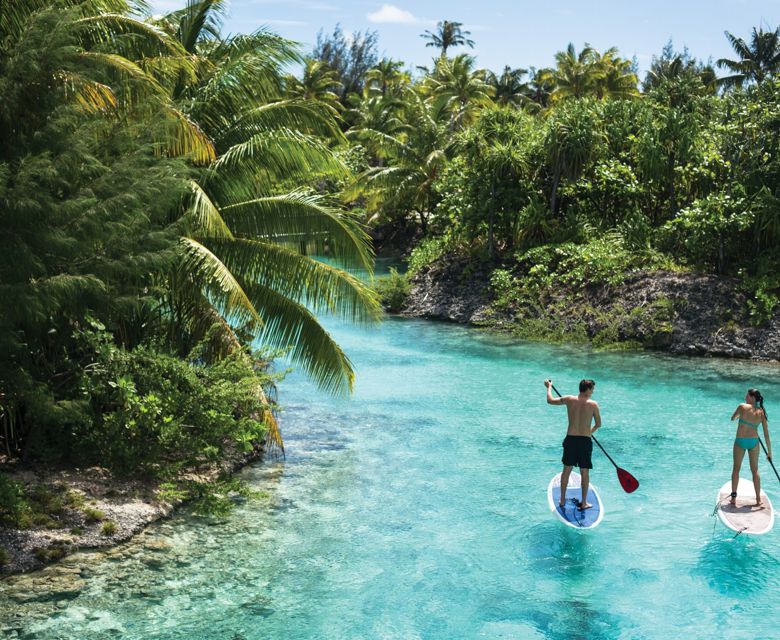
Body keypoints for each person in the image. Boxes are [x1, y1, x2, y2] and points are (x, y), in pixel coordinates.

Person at [545, 378, 602, 510]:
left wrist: (549, 386)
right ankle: (584, 503)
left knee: (567, 469)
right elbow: (599, 424)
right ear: (587, 389)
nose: (593, 391)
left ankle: (562, 500)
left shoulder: (569, 399)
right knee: (584, 472)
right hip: (585, 441)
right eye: (592, 389)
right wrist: (589, 431)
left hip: (571, 439)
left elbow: (550, 400)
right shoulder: (593, 404)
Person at [729, 388, 772, 507]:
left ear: (753, 398)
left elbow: (732, 418)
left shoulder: (742, 407)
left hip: (740, 441)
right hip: (754, 442)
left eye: (747, 396)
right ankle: (758, 499)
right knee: (755, 470)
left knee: (736, 469)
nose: (745, 398)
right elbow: (766, 434)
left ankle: (733, 498)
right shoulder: (761, 412)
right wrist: (769, 452)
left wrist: (740, 417)